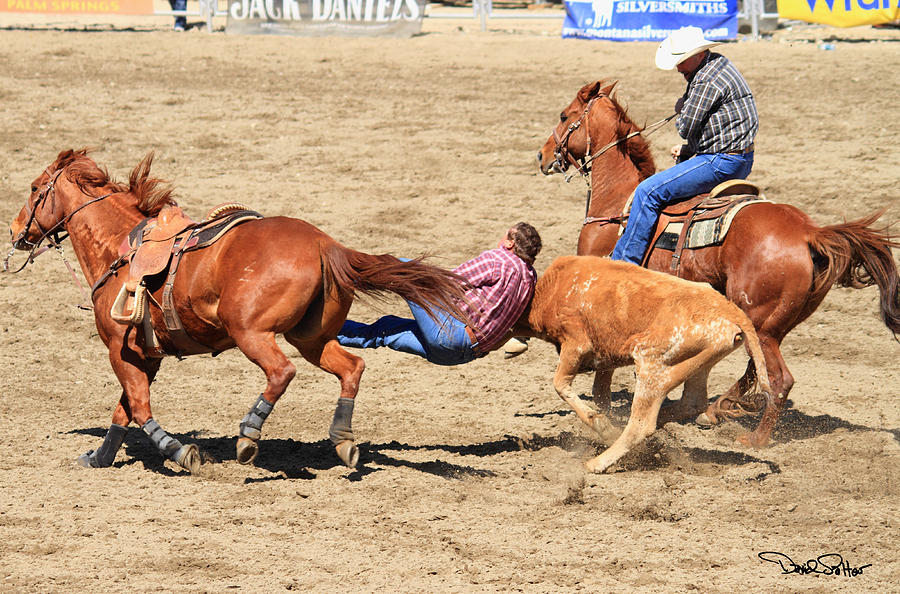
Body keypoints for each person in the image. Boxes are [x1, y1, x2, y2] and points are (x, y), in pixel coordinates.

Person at [610, 26, 758, 265]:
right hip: (737, 155)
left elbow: (685, 127)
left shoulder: (706, 81)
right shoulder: (717, 64)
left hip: (722, 161)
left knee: (648, 192)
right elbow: (720, 122)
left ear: (698, 54)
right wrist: (690, 149)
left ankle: (624, 264)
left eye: (680, 61)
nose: (678, 68)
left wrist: (682, 109)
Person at [336, 222, 542, 366]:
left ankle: (344, 279)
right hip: (465, 354)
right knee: (385, 330)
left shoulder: (498, 260)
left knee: (407, 268)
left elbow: (449, 283)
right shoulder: (531, 279)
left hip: (451, 336)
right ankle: (325, 333)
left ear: (510, 243)